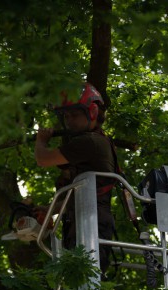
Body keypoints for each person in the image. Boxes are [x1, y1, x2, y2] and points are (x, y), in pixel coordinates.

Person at [34, 82, 117, 278]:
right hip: (84, 219)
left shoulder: (90, 142)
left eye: (75, 114)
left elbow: (43, 159)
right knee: (74, 286)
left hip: (92, 222)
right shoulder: (93, 144)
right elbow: (80, 196)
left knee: (85, 281)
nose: (69, 120)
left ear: (93, 111)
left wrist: (41, 140)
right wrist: (51, 210)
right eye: (66, 116)